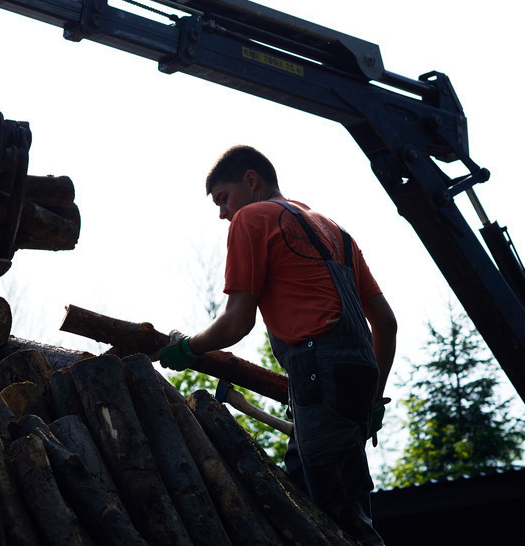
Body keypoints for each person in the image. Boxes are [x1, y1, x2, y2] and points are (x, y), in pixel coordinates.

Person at [160, 145, 397, 546]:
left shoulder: (252, 218)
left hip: (318, 374)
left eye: (223, 199)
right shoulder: (335, 230)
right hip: (352, 379)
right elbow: (386, 325)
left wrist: (188, 348)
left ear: (251, 180)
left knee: (344, 525)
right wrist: (373, 400)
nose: (222, 214)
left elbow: (237, 321)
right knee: (307, 506)